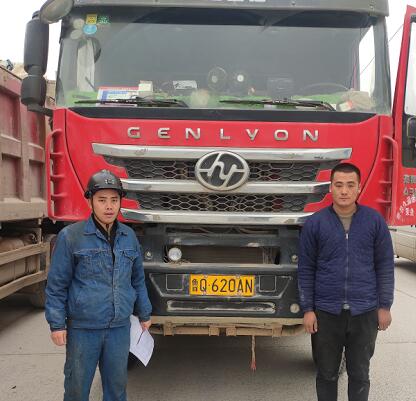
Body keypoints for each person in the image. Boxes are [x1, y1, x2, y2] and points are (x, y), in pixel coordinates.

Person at [45, 170, 152, 401]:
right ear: (90, 201)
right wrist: (57, 324)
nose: (109, 206)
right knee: (77, 389)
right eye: (102, 200)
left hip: (119, 328)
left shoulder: (129, 236)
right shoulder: (71, 237)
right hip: (83, 328)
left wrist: (144, 313)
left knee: (117, 389)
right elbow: (56, 285)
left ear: (120, 202)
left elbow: (137, 279)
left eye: (114, 200)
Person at [298, 162, 394, 401]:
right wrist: (308, 309)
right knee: (326, 374)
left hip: (365, 312)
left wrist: (384, 306)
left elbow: (384, 266)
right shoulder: (316, 223)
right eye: (339, 185)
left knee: (360, 374)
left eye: (350, 185)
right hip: (326, 313)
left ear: (359, 188)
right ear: (330, 188)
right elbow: (306, 269)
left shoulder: (374, 222)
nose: (344, 191)